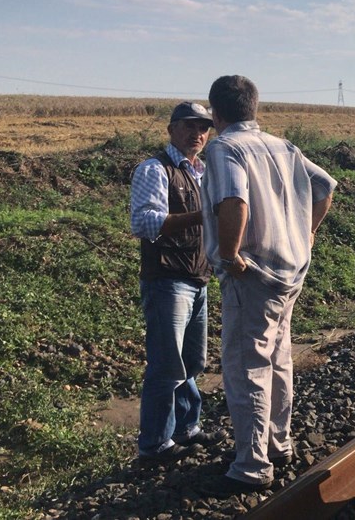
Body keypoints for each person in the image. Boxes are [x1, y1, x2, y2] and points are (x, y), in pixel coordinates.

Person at [198, 75, 337, 496]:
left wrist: (228, 254)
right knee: (278, 358)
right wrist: (308, 232)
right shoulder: (283, 146)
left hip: (253, 274)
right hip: (291, 271)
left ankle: (252, 465)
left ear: (215, 112)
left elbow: (234, 201)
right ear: (253, 107)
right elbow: (326, 185)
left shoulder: (225, 147)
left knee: (246, 366)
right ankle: (279, 442)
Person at [130, 102, 227, 463]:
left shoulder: (201, 172)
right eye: (189, 126)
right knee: (166, 364)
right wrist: (201, 216)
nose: (197, 134)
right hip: (168, 279)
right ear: (171, 129)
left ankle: (186, 428)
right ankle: (154, 444)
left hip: (196, 278)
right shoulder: (155, 169)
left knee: (191, 360)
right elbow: (144, 222)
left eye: (203, 128)